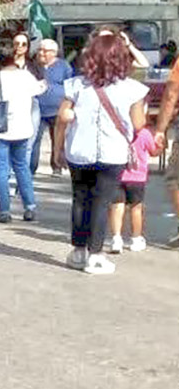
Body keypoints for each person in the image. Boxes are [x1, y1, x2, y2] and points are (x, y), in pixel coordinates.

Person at [54, 32, 146, 275]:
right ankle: (95, 255)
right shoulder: (132, 89)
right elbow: (138, 125)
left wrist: (57, 149)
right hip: (113, 153)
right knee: (101, 202)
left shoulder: (75, 85)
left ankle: (78, 251)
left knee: (80, 199)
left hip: (78, 151)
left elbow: (62, 118)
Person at [0, 38, 44, 223]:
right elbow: (38, 90)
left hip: (1, 128)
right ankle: (30, 206)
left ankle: (4, 211)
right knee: (22, 166)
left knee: (0, 169)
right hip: (23, 128)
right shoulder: (25, 75)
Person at [107, 112, 158, 254]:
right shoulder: (144, 134)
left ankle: (116, 239)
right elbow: (153, 151)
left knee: (117, 207)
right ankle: (136, 238)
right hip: (137, 178)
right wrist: (160, 144)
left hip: (118, 174)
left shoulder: (117, 130)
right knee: (136, 208)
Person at [30, 38, 73, 175]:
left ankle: (57, 166)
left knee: (57, 138)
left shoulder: (63, 66)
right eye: (40, 50)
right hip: (36, 108)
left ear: (54, 53)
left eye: (45, 50)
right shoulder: (33, 66)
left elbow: (70, 85)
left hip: (57, 109)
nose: (41, 53)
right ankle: (31, 167)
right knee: (34, 139)